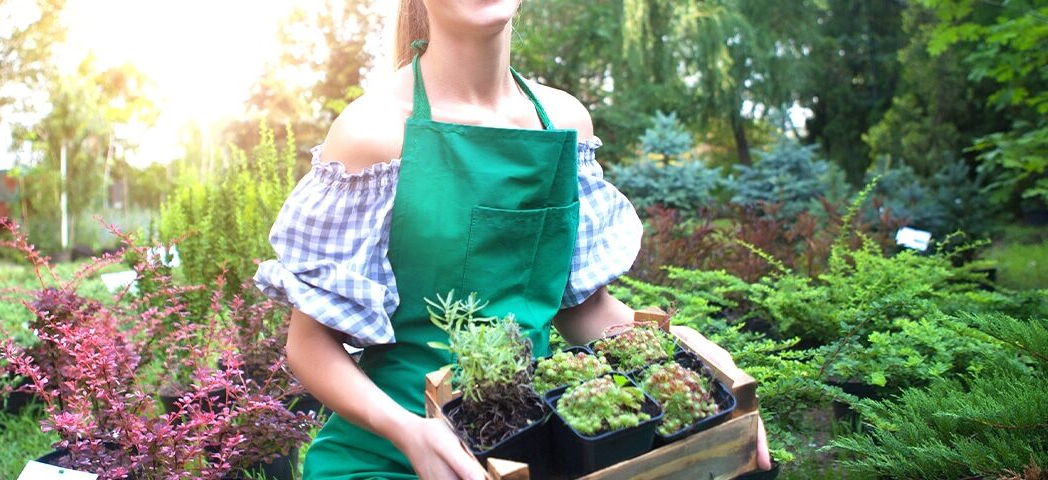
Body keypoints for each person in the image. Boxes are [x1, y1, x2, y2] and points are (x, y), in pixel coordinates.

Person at [253, 0, 771, 478]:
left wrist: (710, 386)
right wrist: (408, 432)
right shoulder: (373, 133)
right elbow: (308, 344)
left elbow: (584, 310)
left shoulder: (564, 122)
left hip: (531, 445)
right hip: (385, 455)